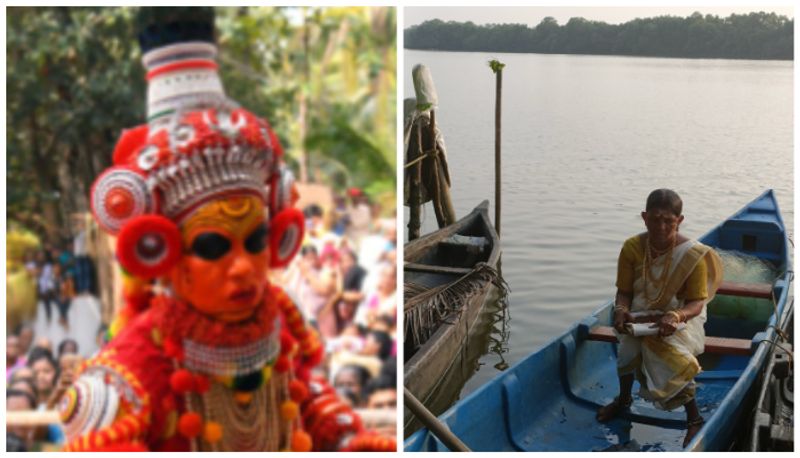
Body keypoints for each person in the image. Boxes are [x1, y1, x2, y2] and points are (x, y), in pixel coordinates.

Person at [56, 9, 393, 452]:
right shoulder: (135, 369)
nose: (244, 268)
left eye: (256, 241)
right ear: (164, 253)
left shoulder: (277, 322)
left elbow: (305, 394)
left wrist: (351, 439)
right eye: (213, 246)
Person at [595, 189, 723, 447]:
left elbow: (697, 303)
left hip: (680, 316)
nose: (661, 226)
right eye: (655, 219)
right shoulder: (632, 247)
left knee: (675, 358)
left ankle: (694, 418)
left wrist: (675, 316)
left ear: (680, 221)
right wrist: (620, 311)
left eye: (669, 221)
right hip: (639, 313)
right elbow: (624, 292)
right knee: (627, 350)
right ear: (644, 217)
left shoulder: (693, 254)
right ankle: (623, 400)